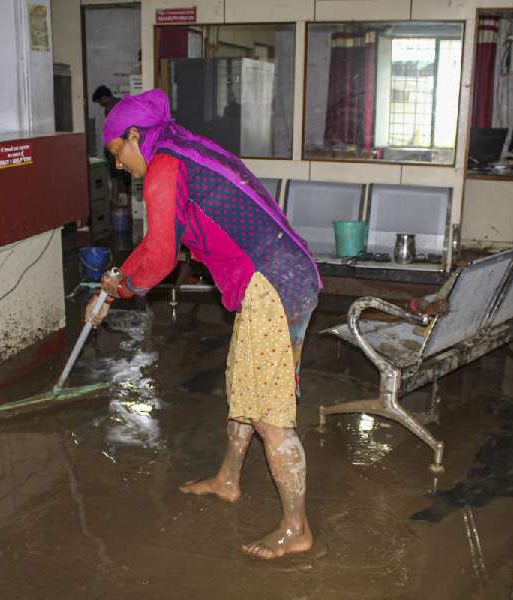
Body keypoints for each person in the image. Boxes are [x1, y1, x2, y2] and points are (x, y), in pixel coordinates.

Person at [86, 89, 322, 560]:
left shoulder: (163, 168)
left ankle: (297, 528)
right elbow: (159, 241)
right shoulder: (183, 149)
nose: (117, 166)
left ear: (135, 137)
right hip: (276, 276)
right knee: (244, 385)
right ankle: (228, 479)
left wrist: (118, 287)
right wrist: (115, 280)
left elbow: (157, 257)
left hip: (271, 284)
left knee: (271, 415)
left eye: (116, 153)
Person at [92, 85, 130, 203]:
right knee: (116, 177)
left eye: (100, 102)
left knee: (124, 178)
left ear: (104, 98)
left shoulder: (120, 107)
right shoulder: (108, 108)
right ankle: (118, 206)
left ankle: (126, 207)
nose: (100, 105)